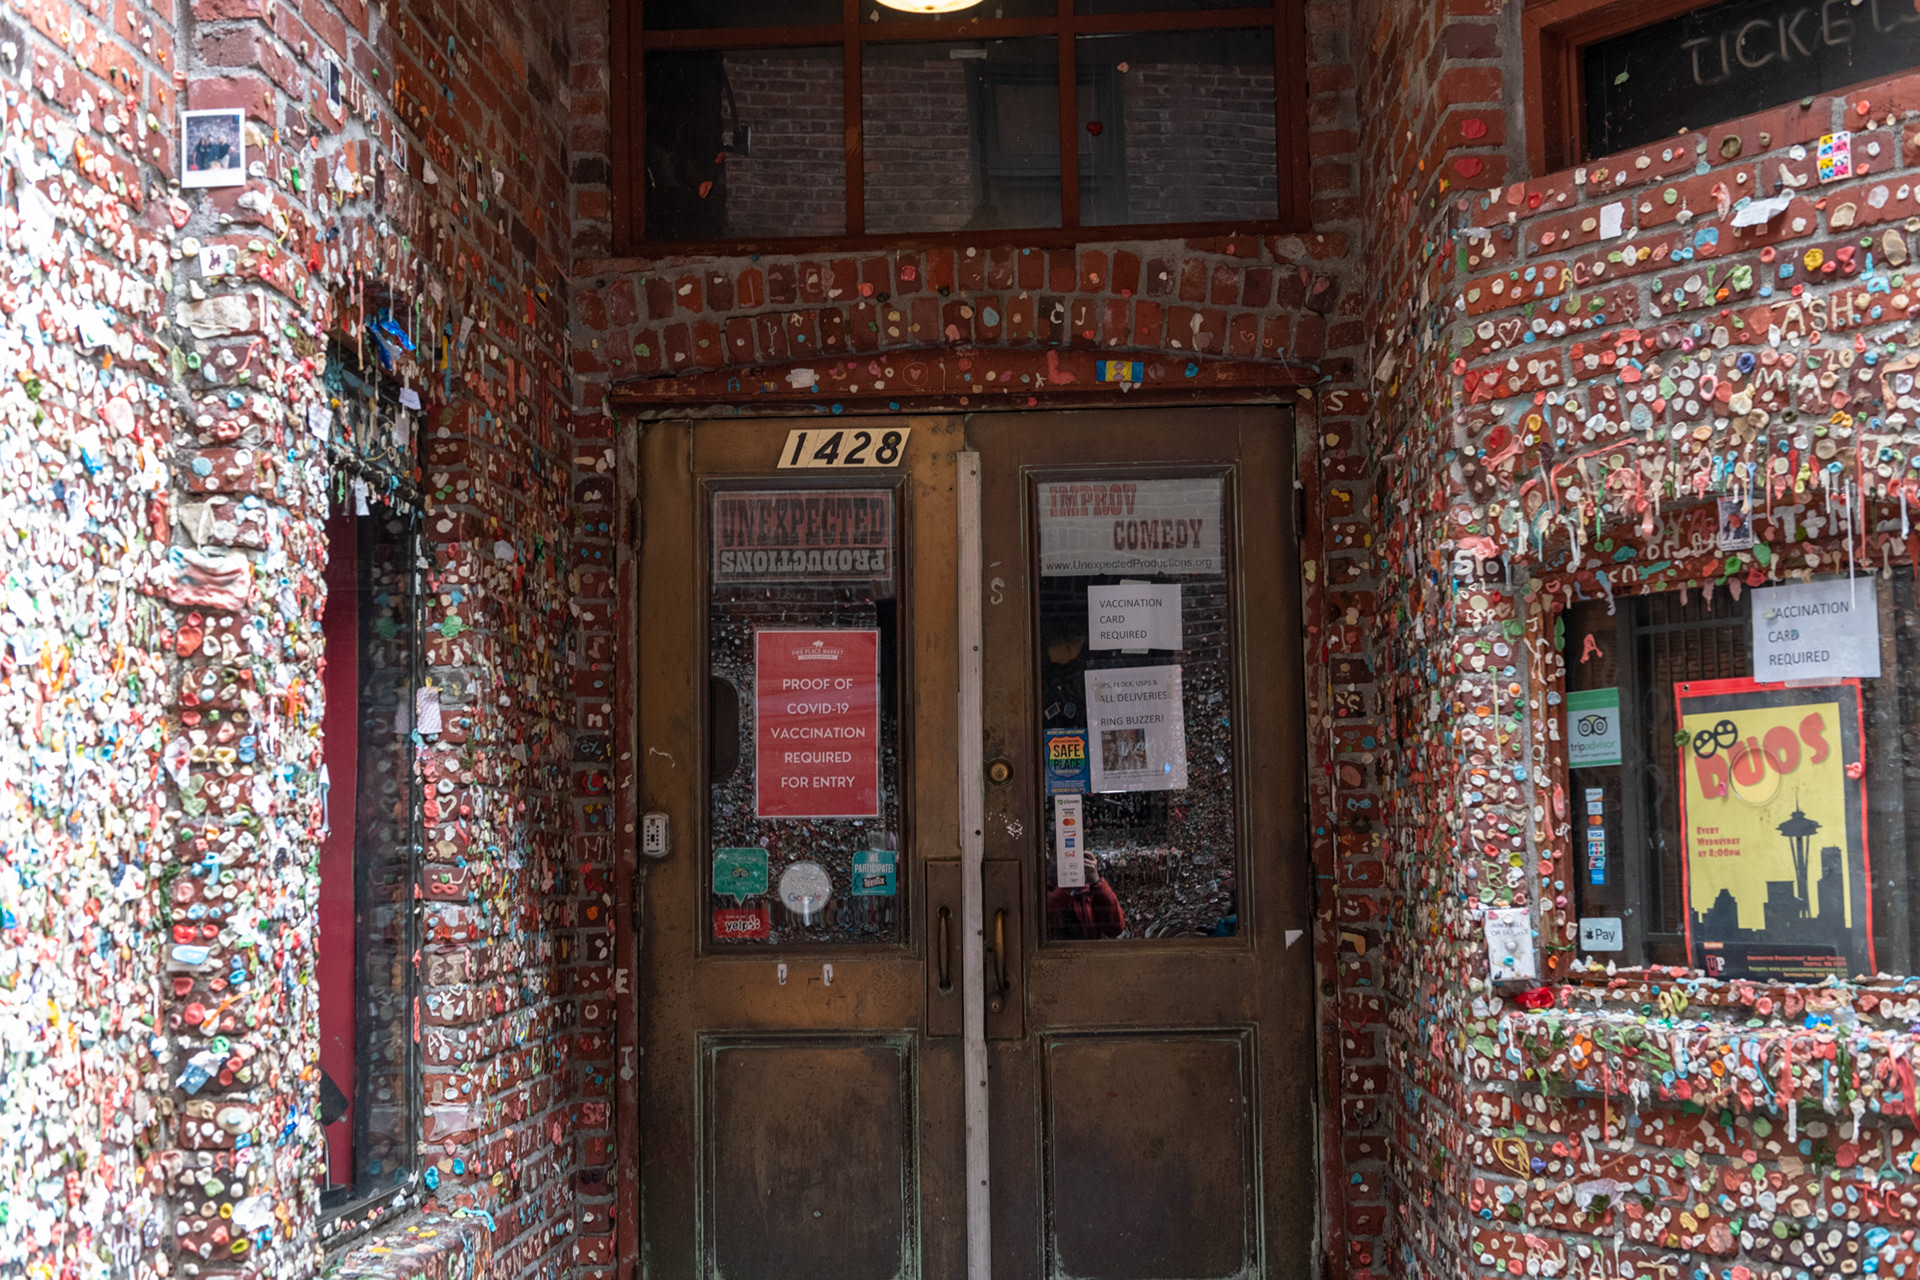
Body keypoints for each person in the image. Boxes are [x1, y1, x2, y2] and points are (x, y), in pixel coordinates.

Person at [1046, 853, 1126, 939]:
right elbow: (1045, 920)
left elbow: (1115, 929)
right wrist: (1066, 885)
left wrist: (1097, 883)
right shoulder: (1044, 888)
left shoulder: (1089, 891)